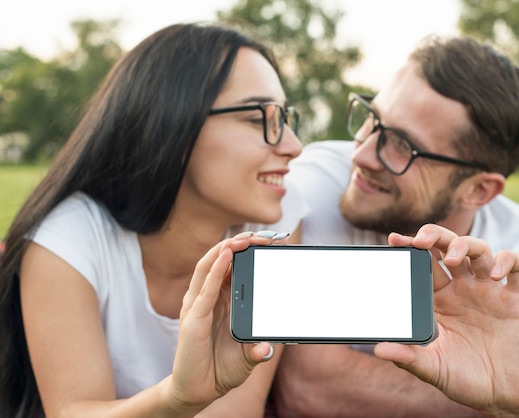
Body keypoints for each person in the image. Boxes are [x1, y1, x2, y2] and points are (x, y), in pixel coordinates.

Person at [269, 35, 519, 416]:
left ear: (478, 190)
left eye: (403, 146)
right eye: (372, 119)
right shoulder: (317, 182)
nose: (362, 153)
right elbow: (306, 387)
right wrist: (493, 404)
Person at [0, 22, 305, 418]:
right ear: (173, 125)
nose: (294, 147)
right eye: (257, 119)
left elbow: (237, 408)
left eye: (286, 118)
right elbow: (73, 411)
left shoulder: (280, 222)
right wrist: (177, 399)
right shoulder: (67, 241)